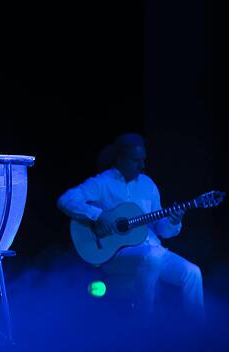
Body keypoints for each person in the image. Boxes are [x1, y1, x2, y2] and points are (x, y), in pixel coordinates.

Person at [57, 133, 205, 319]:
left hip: (152, 248)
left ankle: (199, 334)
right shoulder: (102, 183)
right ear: (120, 159)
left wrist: (174, 221)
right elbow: (66, 200)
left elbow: (162, 230)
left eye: (143, 160)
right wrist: (98, 215)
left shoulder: (148, 184)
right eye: (136, 160)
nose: (142, 165)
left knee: (192, 273)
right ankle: (145, 328)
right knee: (152, 258)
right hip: (116, 254)